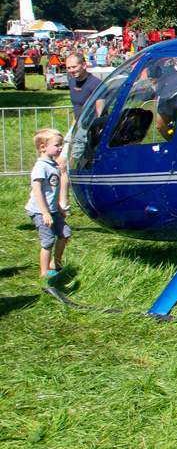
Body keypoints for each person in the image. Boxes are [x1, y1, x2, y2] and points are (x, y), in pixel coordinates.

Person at [27, 128, 70, 281]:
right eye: (57, 145)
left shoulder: (54, 165)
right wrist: (45, 212)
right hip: (40, 211)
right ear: (42, 147)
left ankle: (56, 263)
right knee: (48, 240)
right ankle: (44, 271)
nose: (60, 148)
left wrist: (58, 208)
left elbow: (52, 191)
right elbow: (37, 190)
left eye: (61, 145)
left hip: (52, 210)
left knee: (65, 233)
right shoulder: (41, 167)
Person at [65, 51, 103, 127]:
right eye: (68, 68)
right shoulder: (72, 82)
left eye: (74, 67)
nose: (71, 70)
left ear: (84, 65)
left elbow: (100, 113)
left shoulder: (96, 83)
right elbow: (76, 107)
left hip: (91, 126)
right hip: (77, 125)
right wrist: (73, 127)